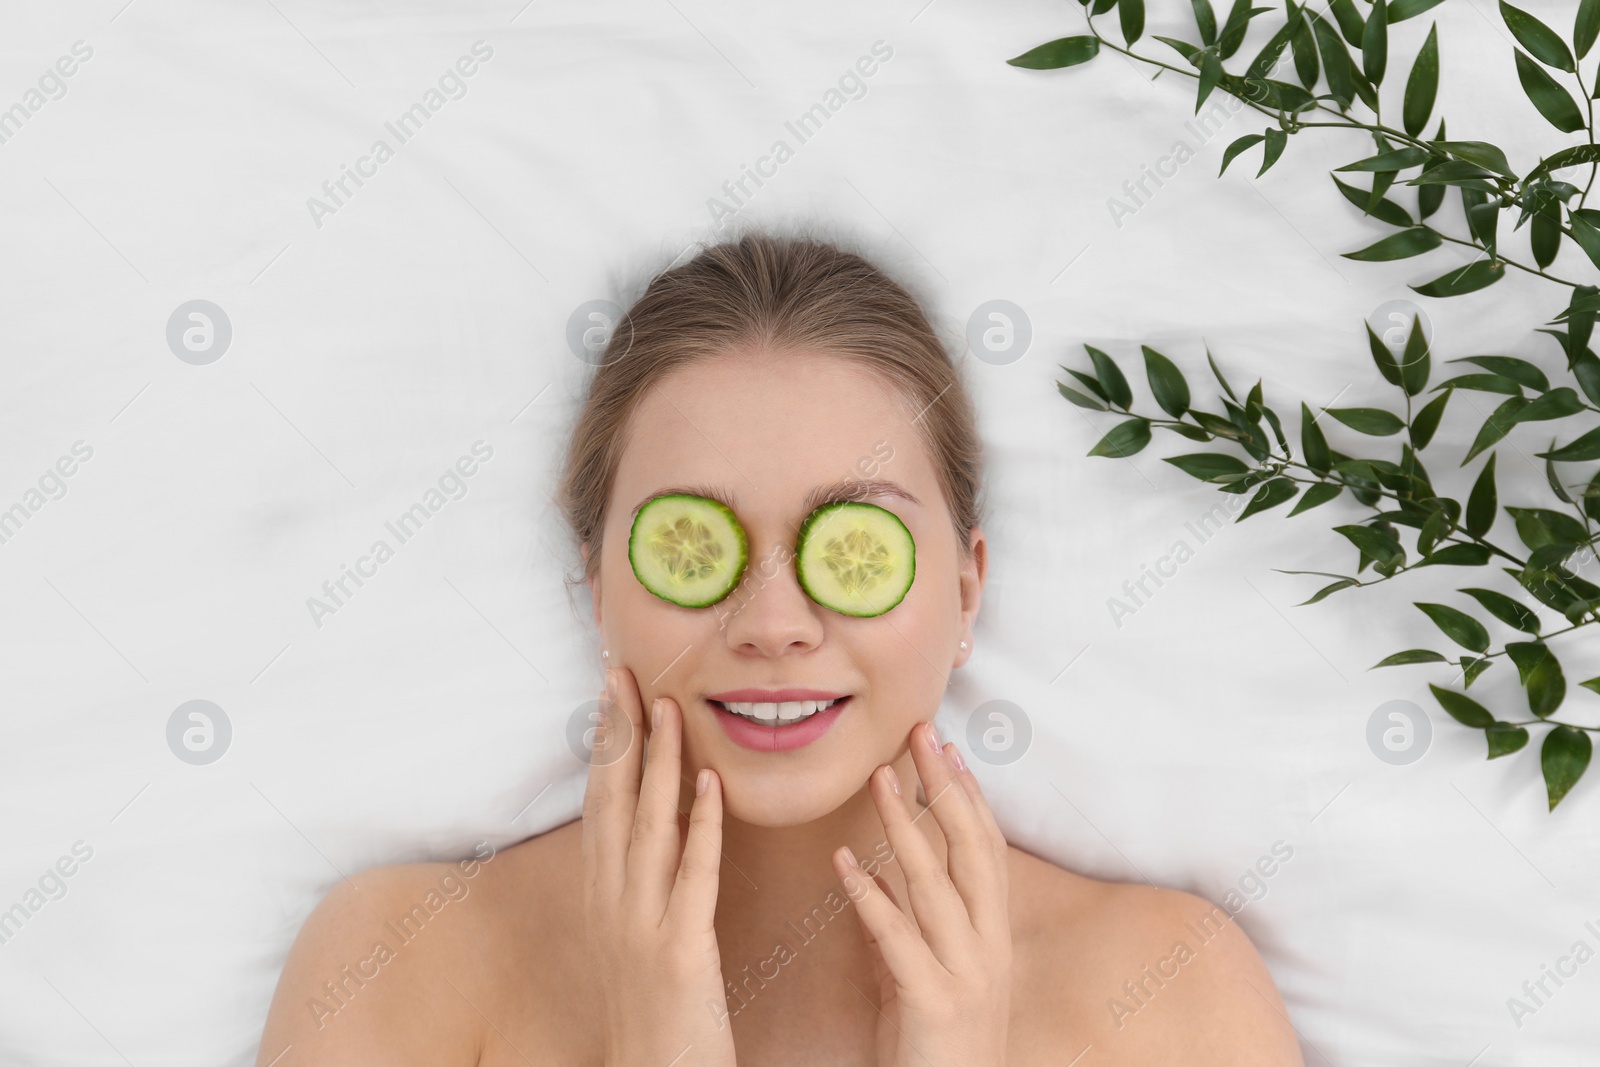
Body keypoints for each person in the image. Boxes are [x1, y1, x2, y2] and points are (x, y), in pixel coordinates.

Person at [255, 229, 1304, 1065]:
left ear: (965, 585)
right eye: (692, 545)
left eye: (853, 544)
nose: (773, 622)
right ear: (595, 585)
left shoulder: (1171, 988)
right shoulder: (397, 961)